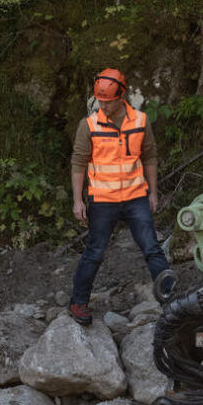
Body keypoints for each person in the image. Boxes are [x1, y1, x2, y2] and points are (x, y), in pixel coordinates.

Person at [67, 68, 176, 325]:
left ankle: (172, 301)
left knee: (152, 248)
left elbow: (149, 156)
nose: (103, 105)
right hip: (102, 200)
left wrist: (153, 192)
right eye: (100, 100)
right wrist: (77, 200)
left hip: (135, 196)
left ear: (121, 96)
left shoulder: (140, 121)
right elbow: (78, 163)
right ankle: (78, 302)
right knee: (94, 252)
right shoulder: (89, 125)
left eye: (108, 101)